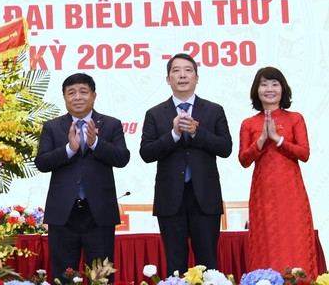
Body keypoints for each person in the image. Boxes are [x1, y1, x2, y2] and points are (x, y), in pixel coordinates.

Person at [140, 54, 232, 275]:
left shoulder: (214, 110)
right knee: (175, 266)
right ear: (168, 79)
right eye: (176, 71)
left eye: (188, 70)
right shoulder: (154, 114)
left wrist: (196, 132)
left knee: (208, 265)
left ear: (197, 78)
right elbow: (146, 153)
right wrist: (173, 134)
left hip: (205, 198)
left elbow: (225, 148)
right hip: (170, 200)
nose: (182, 75)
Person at [35, 73, 130, 284]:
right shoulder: (52, 127)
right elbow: (42, 163)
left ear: (93, 95)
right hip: (64, 215)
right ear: (64, 97)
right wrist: (69, 149)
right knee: (64, 277)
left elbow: (122, 158)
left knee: (101, 277)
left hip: (99, 215)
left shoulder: (111, 124)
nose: (77, 97)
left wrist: (95, 144)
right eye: (71, 93)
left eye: (83, 92)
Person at [238, 67, 317, 277]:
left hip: (291, 195)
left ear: (283, 89)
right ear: (256, 90)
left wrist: (278, 139)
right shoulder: (249, 123)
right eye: (264, 84)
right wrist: (261, 140)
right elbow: (244, 160)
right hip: (263, 196)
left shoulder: (295, 118)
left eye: (275, 84)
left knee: (295, 243)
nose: (269, 89)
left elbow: (304, 153)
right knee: (266, 245)